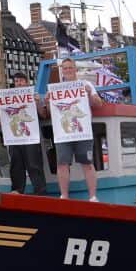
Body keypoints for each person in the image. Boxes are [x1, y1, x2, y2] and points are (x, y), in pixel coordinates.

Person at [43, 58, 103, 201]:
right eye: (65, 68)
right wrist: (47, 102)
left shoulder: (86, 84)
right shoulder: (56, 88)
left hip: (83, 132)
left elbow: (98, 104)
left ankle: (93, 197)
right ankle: (64, 196)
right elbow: (50, 114)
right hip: (63, 133)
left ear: (75, 69)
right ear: (62, 70)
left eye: (70, 67)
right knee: (62, 164)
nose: (68, 70)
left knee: (88, 163)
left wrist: (89, 94)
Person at [0, 71, 47, 195]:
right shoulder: (7, 99)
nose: (18, 83)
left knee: (34, 165)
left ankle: (40, 190)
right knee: (16, 165)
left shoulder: (34, 96)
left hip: (31, 138)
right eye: (16, 81)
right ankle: (17, 190)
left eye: (21, 81)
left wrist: (38, 102)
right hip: (14, 138)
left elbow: (43, 115)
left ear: (27, 82)